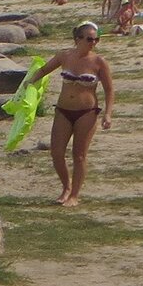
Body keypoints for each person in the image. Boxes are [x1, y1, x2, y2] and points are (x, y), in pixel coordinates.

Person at [31, 22, 116, 206]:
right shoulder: (64, 56)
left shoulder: (99, 62)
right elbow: (45, 69)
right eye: (89, 39)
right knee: (56, 152)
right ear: (78, 39)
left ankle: (75, 196)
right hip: (63, 110)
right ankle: (66, 187)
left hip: (87, 112)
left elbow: (109, 90)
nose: (93, 42)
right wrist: (28, 84)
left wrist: (107, 114)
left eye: (96, 39)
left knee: (79, 155)